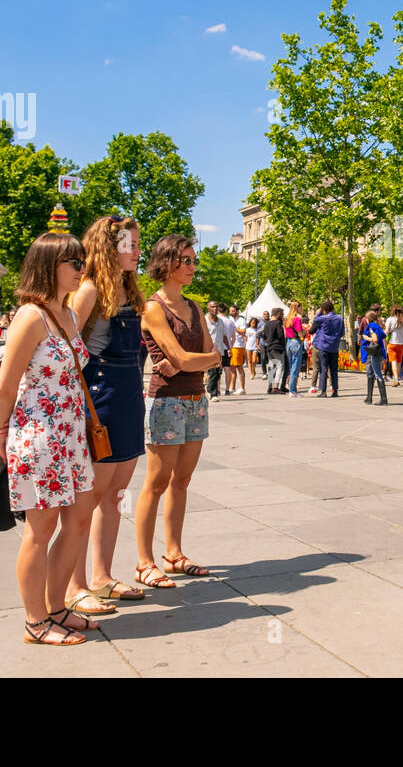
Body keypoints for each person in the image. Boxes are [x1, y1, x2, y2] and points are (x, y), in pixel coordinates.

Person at [0, 231, 98, 645]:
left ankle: (57, 608)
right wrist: (0, 433)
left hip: (71, 434)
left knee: (77, 522)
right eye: (73, 263)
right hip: (38, 435)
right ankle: (36, 621)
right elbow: (6, 384)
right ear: (48, 267)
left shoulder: (69, 313)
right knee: (41, 529)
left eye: (82, 261)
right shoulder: (30, 316)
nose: (81, 270)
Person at [62, 215, 150, 610]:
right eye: (127, 244)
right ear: (107, 248)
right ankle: (74, 586)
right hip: (99, 399)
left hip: (129, 394)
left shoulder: (129, 291)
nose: (135, 250)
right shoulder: (89, 290)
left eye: (135, 244)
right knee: (88, 497)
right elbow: (64, 348)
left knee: (114, 495)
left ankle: (101, 577)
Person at [135, 234, 221, 588]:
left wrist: (190, 362)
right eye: (185, 260)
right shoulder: (154, 308)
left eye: (193, 260)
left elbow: (214, 356)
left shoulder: (195, 307)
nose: (191, 266)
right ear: (166, 262)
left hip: (196, 400)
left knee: (181, 482)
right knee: (155, 484)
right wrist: (191, 361)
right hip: (166, 402)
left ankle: (173, 552)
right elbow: (189, 357)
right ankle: (144, 561)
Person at [310, 300, 344, 397]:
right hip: (334, 347)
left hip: (323, 346)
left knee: (323, 369)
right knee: (333, 369)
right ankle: (335, 390)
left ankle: (323, 391)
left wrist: (319, 313)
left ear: (324, 310)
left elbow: (315, 322)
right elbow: (342, 333)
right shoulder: (340, 319)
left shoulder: (322, 318)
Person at [360, 308, 388, 405]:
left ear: (369, 318)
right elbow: (383, 336)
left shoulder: (371, 326)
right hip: (379, 351)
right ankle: (369, 397)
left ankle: (383, 399)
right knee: (372, 373)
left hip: (374, 352)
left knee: (377, 373)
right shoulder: (377, 326)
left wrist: (366, 338)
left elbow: (375, 339)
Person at [204, 301, 229, 401]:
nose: (215, 309)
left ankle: (210, 389)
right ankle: (212, 392)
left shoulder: (221, 321)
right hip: (208, 350)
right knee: (213, 371)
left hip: (219, 351)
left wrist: (229, 348)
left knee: (217, 372)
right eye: (212, 307)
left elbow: (224, 336)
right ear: (208, 309)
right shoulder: (205, 321)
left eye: (216, 307)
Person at [261, 307, 286, 393]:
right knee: (279, 367)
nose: (283, 316)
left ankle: (270, 386)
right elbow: (280, 336)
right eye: (282, 314)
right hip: (277, 347)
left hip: (269, 347)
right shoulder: (278, 323)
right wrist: (284, 344)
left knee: (272, 367)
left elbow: (263, 335)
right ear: (278, 314)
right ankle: (275, 387)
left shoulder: (267, 323)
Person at [284, 301, 305, 397]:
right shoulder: (297, 319)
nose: (302, 309)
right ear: (297, 308)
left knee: (291, 365)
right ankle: (292, 390)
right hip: (296, 342)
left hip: (288, 342)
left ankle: (292, 389)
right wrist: (304, 333)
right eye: (301, 307)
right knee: (295, 367)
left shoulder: (287, 319)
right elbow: (300, 333)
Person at [227, 304, 247, 394]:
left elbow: (243, 331)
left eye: (233, 311)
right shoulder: (229, 319)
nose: (231, 313)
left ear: (237, 311)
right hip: (231, 345)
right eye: (230, 311)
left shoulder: (241, 320)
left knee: (239, 367)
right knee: (232, 367)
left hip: (238, 346)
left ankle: (242, 388)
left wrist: (234, 327)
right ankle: (232, 387)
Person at [385, 306, 403, 385]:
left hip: (392, 343)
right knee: (399, 362)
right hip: (401, 343)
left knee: (393, 361)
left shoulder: (390, 319)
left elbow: (387, 331)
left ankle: (396, 379)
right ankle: (398, 377)